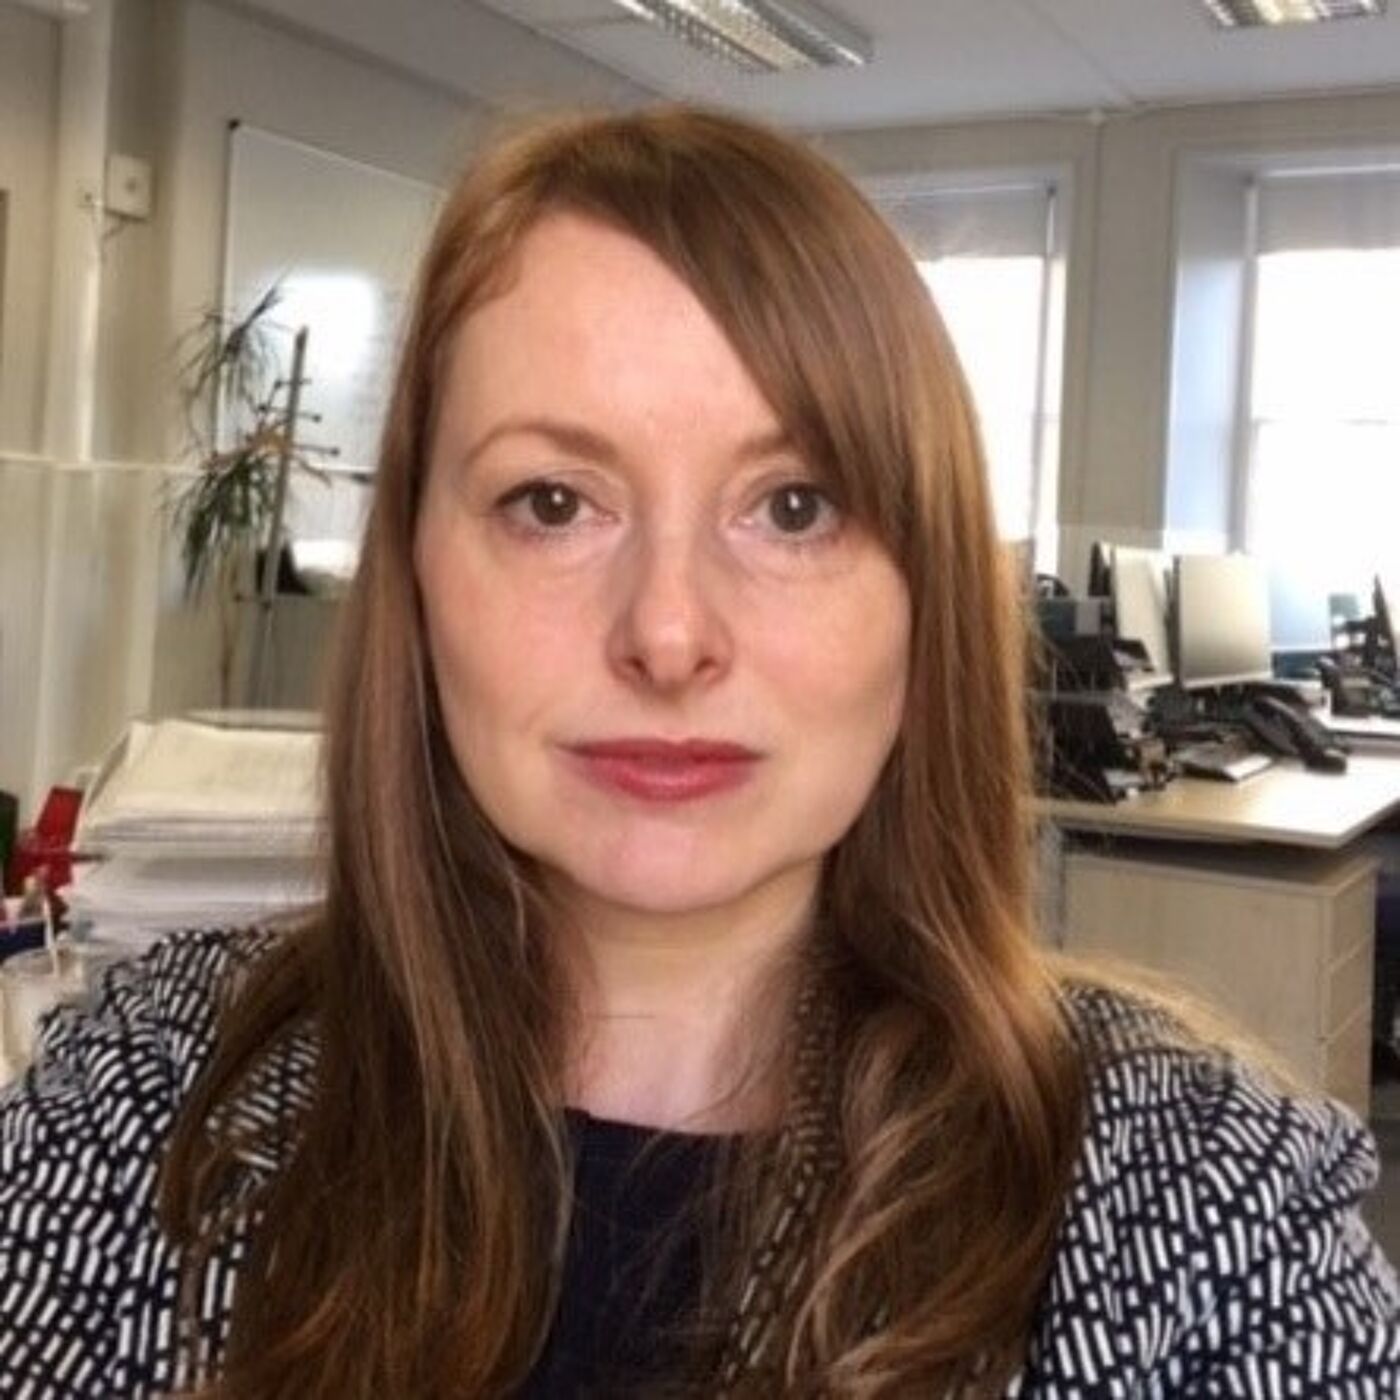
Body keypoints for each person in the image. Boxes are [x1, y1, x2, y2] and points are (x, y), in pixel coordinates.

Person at [1, 106, 1397, 1399]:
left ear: (925, 603)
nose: (669, 635)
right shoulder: (146, 1096)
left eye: (794, 507)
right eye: (552, 501)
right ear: (417, 573)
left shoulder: (1202, 1202)